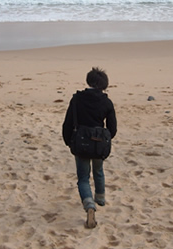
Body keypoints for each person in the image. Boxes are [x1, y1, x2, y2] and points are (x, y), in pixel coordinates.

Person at [62, 67, 117, 229]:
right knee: (98, 171)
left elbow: (68, 123)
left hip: (81, 143)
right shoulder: (106, 102)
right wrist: (105, 139)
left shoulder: (77, 99)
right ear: (104, 85)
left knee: (83, 177)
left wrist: (68, 141)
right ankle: (100, 198)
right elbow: (112, 128)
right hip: (99, 143)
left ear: (88, 81)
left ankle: (89, 205)